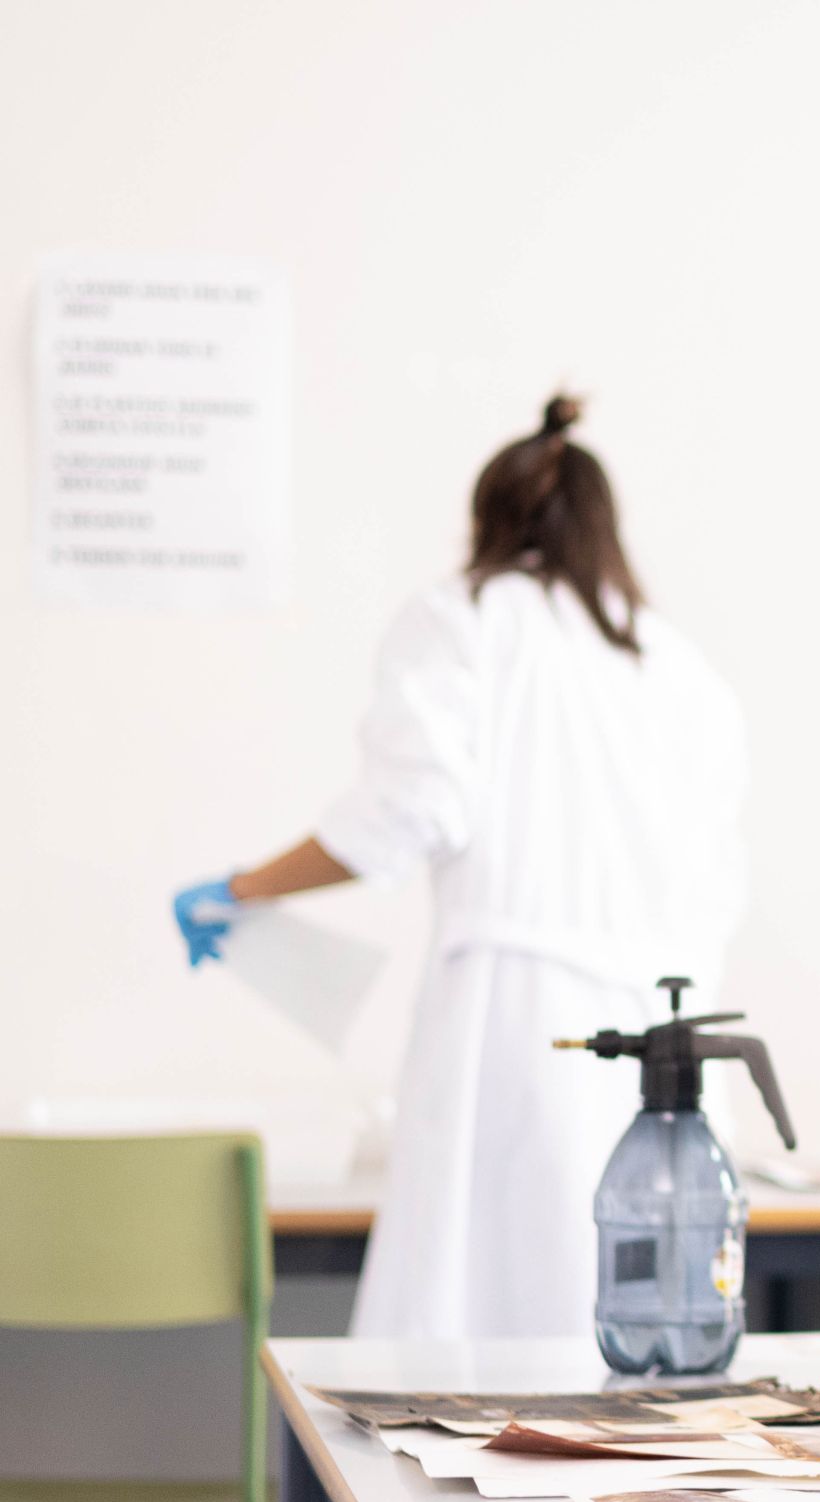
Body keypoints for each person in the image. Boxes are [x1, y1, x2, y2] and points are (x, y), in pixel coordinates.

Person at [172, 397, 748, 1339]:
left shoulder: (463, 620)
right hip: (669, 1043)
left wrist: (240, 890)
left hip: (516, 1030)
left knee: (485, 1345)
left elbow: (405, 812)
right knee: (645, 1343)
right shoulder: (682, 670)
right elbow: (720, 883)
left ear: (490, 519)